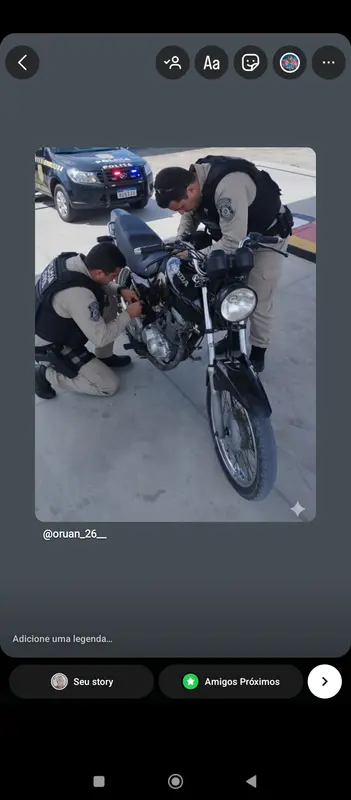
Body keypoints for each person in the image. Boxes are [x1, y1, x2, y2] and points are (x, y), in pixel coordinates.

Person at [154, 154, 294, 373]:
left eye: (180, 206)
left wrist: (192, 255)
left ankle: (258, 351)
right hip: (235, 234)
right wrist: (183, 241)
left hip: (267, 238)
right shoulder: (194, 180)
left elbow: (232, 242)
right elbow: (190, 215)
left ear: (191, 190)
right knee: (225, 290)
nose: (181, 211)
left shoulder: (228, 186)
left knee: (258, 296)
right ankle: (232, 337)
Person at [35, 241, 143, 399]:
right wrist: (128, 314)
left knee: (109, 300)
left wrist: (120, 290)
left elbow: (92, 283)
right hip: (50, 343)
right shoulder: (78, 295)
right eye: (113, 276)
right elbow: (100, 338)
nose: (114, 279)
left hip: (52, 322)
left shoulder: (74, 262)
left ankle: (104, 356)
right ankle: (44, 374)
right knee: (108, 385)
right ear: (99, 273)